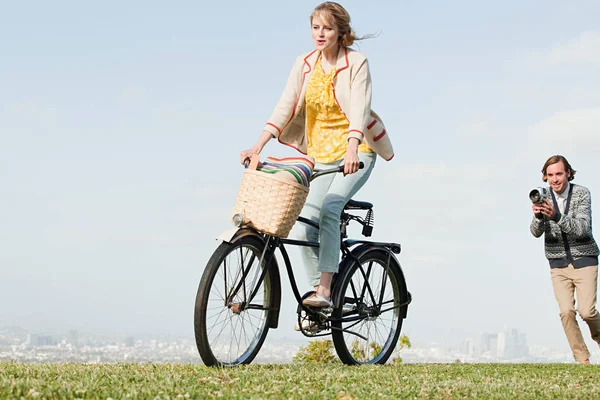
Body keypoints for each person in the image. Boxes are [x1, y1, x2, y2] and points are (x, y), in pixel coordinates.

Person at [240, 2, 394, 310]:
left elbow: (361, 109)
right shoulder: (305, 63)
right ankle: (319, 293)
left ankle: (325, 289)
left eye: (327, 28)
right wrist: (258, 145)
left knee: (330, 209)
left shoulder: (356, 63)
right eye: (315, 27)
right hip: (321, 155)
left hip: (356, 151)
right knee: (306, 221)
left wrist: (353, 147)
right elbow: (285, 105)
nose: (320, 34)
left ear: (340, 33)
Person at [530, 155, 600, 364]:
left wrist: (557, 216)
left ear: (568, 173)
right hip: (558, 263)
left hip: (584, 260)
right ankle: (583, 361)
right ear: (545, 177)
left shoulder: (581, 194)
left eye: (559, 173)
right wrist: (539, 216)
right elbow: (535, 232)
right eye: (550, 175)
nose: (555, 179)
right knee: (566, 312)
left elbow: (582, 229)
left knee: (587, 312)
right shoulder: (543, 196)